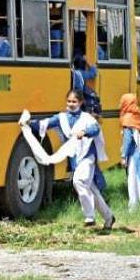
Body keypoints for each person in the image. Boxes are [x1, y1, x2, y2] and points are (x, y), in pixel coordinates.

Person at [23, 89, 115, 229]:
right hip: (75, 159)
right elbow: (44, 124)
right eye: (69, 101)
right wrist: (28, 123)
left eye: (74, 101)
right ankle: (109, 218)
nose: (71, 104)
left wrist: (84, 132)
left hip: (87, 156)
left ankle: (89, 217)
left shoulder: (86, 118)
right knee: (90, 188)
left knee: (78, 181)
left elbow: (95, 129)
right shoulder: (62, 118)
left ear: (80, 102)